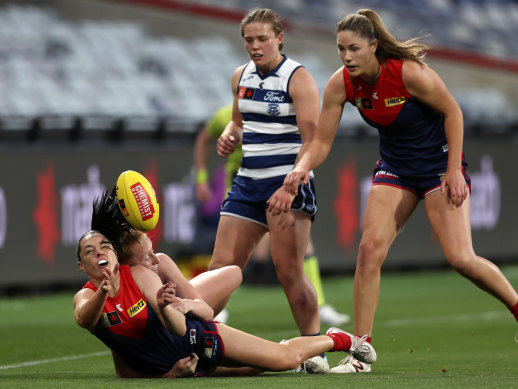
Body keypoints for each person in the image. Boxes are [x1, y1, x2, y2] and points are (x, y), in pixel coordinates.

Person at [272, 9, 518, 373]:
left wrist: (453, 172)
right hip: (396, 168)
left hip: (438, 166)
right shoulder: (342, 84)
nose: (347, 57)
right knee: (369, 251)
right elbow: (321, 142)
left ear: (373, 46)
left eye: (354, 48)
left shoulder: (407, 73)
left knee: (462, 259)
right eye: (340, 49)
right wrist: (301, 167)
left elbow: (453, 113)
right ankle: (361, 353)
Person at [73, 230, 377, 377]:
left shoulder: (138, 274)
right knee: (256, 370)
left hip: (199, 336)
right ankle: (305, 361)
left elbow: (180, 327)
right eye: (90, 251)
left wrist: (173, 305)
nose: (100, 252)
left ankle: (341, 339)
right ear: (82, 266)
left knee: (282, 359)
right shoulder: (88, 297)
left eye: (104, 246)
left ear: (114, 253)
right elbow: (88, 322)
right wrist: (171, 375)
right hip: (188, 366)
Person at [205, 7, 325, 368]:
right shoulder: (240, 76)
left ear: (279, 38)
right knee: (220, 268)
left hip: (287, 183)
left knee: (289, 273)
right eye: (249, 40)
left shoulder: (298, 77)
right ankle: (190, 340)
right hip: (247, 184)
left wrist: (291, 185)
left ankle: (313, 349)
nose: (255, 46)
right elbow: (239, 124)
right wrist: (230, 136)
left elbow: (313, 141)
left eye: (262, 39)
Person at [195, 103, 349, 325]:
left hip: (277, 184)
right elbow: (205, 138)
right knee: (225, 257)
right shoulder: (224, 115)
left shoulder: (279, 108)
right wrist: (201, 178)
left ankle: (319, 310)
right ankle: (215, 309)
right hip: (240, 187)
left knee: (300, 252)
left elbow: (311, 138)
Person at [90, 189, 243, 377]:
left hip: (185, 327)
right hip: (167, 352)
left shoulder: (160, 263)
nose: (154, 260)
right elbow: (124, 371)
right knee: (254, 366)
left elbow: (205, 309)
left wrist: (184, 306)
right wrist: (170, 374)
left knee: (233, 274)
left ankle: (201, 334)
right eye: (146, 257)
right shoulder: (121, 290)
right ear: (127, 269)